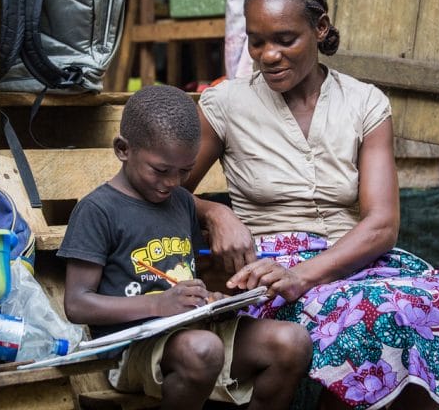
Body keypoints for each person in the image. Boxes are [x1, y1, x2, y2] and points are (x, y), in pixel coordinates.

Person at [183, 0, 439, 410]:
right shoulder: (224, 105)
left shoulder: (365, 103)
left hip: (355, 263)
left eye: (285, 39)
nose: (268, 54)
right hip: (268, 273)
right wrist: (216, 212)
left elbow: (381, 224)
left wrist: (304, 275)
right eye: (257, 40)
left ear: (320, 28)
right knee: (374, 314)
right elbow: (165, 190)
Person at [58, 85, 312, 410]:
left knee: (292, 342)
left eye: (185, 170)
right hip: (132, 348)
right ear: (123, 149)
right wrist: (158, 305)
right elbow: (77, 304)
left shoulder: (181, 203)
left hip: (192, 331)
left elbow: (183, 275)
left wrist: (212, 300)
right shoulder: (99, 210)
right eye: (161, 170)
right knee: (203, 349)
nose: (174, 182)